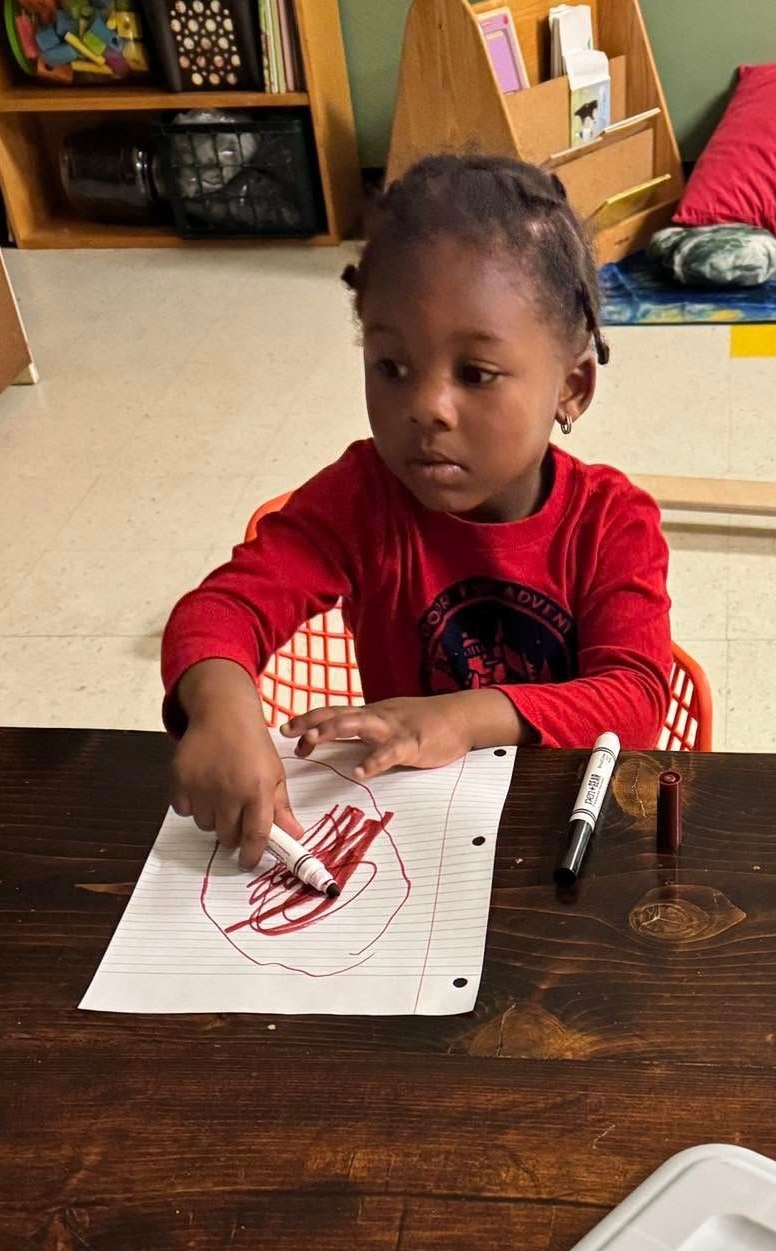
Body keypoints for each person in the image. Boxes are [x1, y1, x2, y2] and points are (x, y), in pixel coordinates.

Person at [162, 154, 671, 867]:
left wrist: (462, 719)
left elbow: (635, 699)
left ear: (573, 389)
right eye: (390, 367)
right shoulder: (361, 498)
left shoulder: (611, 521)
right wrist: (218, 706)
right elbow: (219, 611)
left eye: (476, 374)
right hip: (416, 837)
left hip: (564, 829)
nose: (425, 408)